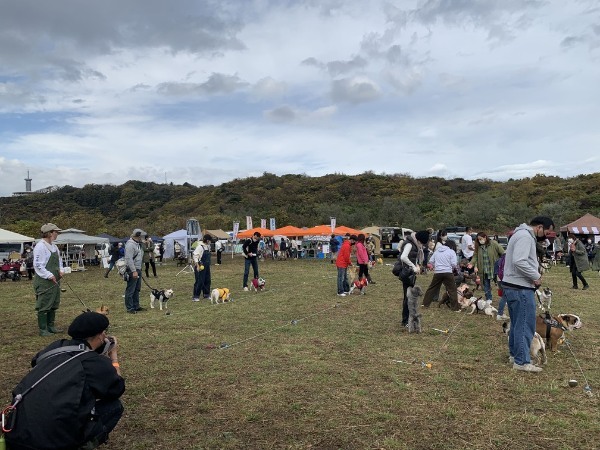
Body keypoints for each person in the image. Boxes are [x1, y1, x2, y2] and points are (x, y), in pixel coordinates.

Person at [6, 312, 125, 450]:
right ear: (100, 335)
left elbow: (37, 361)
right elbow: (117, 388)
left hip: (15, 434)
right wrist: (113, 357)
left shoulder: (56, 347)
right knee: (115, 406)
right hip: (52, 444)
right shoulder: (95, 364)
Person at [503, 216, 555, 372]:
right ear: (539, 227)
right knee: (525, 325)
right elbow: (520, 261)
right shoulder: (525, 237)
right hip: (521, 288)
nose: (546, 235)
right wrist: (535, 276)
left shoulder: (519, 234)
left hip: (513, 286)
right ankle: (521, 361)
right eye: (547, 231)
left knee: (517, 323)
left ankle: (515, 354)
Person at [33, 223, 65, 336]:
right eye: (56, 232)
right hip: (44, 281)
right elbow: (37, 265)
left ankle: (51, 326)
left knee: (54, 302)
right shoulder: (40, 246)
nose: (57, 234)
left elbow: (59, 260)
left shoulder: (54, 246)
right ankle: (43, 329)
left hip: (56, 279)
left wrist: (61, 270)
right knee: (44, 303)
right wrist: (48, 275)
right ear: (50, 233)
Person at [399, 230, 431, 327]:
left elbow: (411, 257)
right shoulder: (410, 244)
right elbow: (403, 257)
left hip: (410, 273)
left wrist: (416, 265)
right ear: (419, 239)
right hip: (407, 273)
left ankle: (407, 319)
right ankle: (406, 321)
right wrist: (413, 266)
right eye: (421, 242)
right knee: (408, 297)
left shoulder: (414, 244)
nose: (421, 244)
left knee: (409, 297)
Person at [422, 237, 460, 310]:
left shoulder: (437, 251)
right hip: (448, 272)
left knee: (432, 288)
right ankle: (455, 308)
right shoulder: (451, 252)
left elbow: (431, 261)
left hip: (438, 272)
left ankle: (425, 304)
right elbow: (454, 264)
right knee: (452, 290)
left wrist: (437, 265)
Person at [471, 232, 505, 304]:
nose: (480, 241)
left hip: (494, 268)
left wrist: (502, 263)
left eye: (481, 239)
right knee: (486, 284)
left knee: (500, 284)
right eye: (478, 240)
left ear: (485, 237)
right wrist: (472, 263)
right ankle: (489, 298)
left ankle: (505, 298)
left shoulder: (493, 243)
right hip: (484, 269)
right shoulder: (478, 247)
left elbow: (503, 253)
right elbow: (475, 256)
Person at [124, 228, 145, 314]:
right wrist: (134, 271)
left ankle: (136, 306)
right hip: (133, 270)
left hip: (138, 268)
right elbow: (129, 259)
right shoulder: (130, 245)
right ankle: (130, 308)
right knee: (131, 289)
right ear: (138, 236)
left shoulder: (137, 244)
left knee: (137, 289)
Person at [192, 234, 212, 301]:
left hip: (207, 266)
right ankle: (196, 296)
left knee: (207, 280)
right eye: (209, 240)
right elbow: (195, 256)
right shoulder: (200, 247)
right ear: (206, 240)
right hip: (200, 266)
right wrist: (197, 265)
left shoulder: (208, 246)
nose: (210, 242)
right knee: (199, 281)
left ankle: (206, 294)